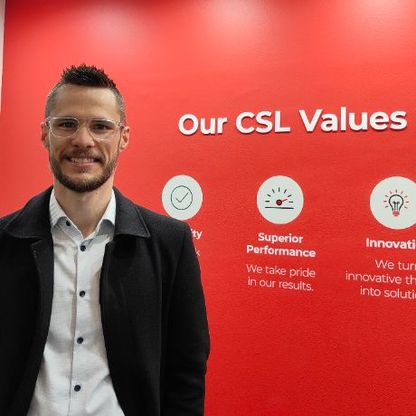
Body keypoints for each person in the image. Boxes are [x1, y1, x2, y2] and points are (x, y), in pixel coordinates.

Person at [0, 64, 210, 416]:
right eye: (67, 124)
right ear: (45, 134)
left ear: (123, 137)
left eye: (100, 126)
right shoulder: (4, 241)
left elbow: (186, 370)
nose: (83, 141)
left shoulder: (170, 243)